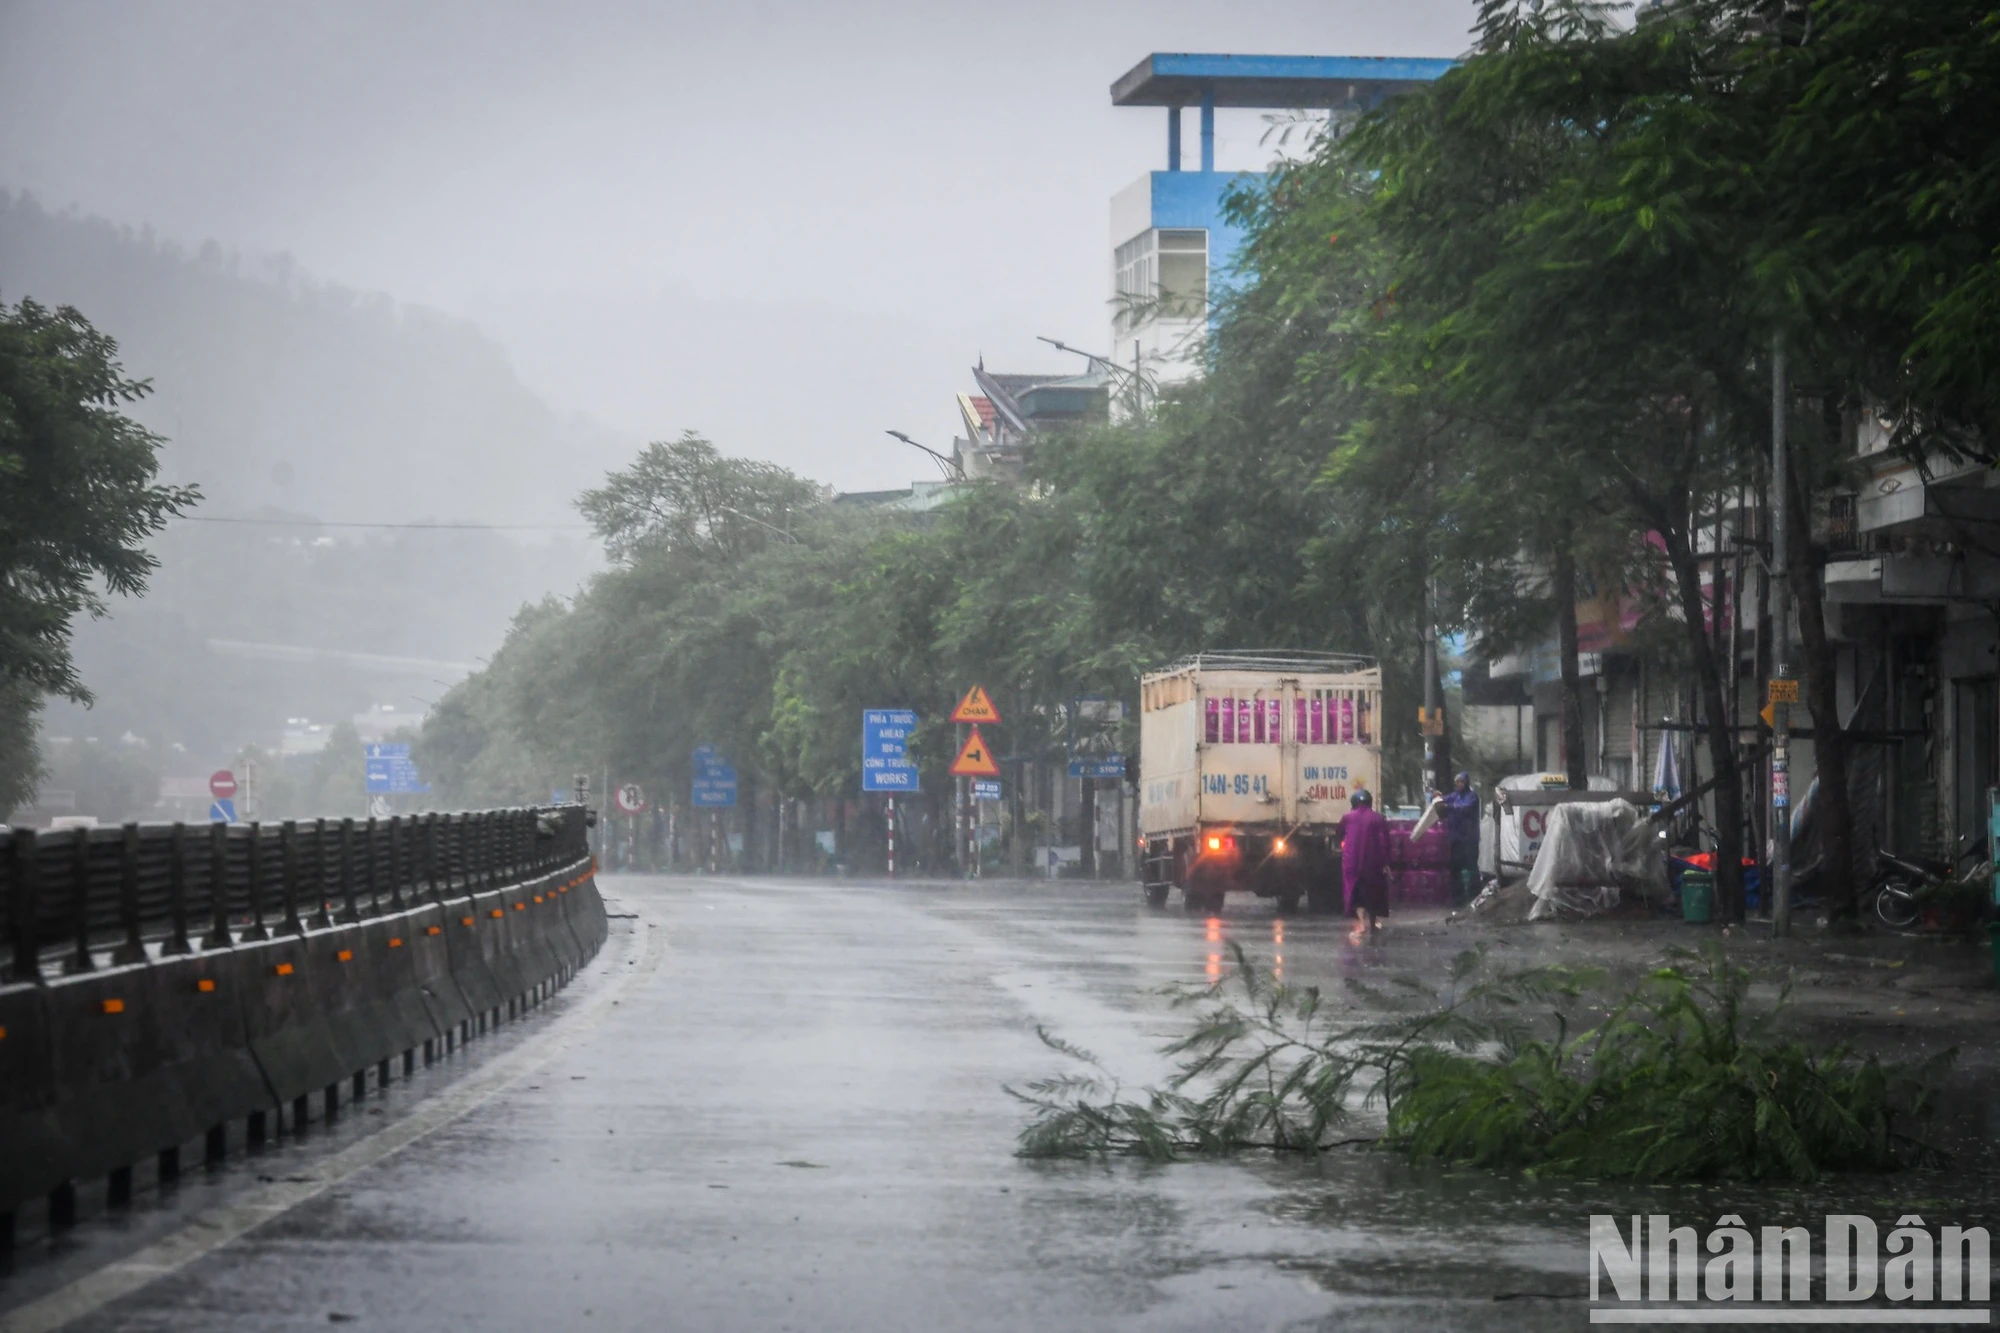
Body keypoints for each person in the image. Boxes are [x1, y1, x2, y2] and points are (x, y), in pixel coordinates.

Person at [1341, 788, 1391, 943]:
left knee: (1357, 894)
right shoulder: (1378, 818)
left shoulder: (1347, 818)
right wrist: (1386, 863)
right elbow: (1384, 842)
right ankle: (1373, 924)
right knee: (1374, 893)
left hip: (1353, 864)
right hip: (1373, 864)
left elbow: (1340, 834)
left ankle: (1361, 925)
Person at [1441, 771, 1481, 906]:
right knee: (1455, 868)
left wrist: (1450, 807)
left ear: (1466, 783)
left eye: (1461, 782)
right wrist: (1437, 797)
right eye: (1457, 782)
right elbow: (1442, 800)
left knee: (1471, 868)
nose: (1459, 784)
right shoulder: (1455, 796)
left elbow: (1466, 808)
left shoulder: (1472, 796)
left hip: (1470, 839)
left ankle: (1474, 896)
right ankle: (1458, 898)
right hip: (1456, 838)